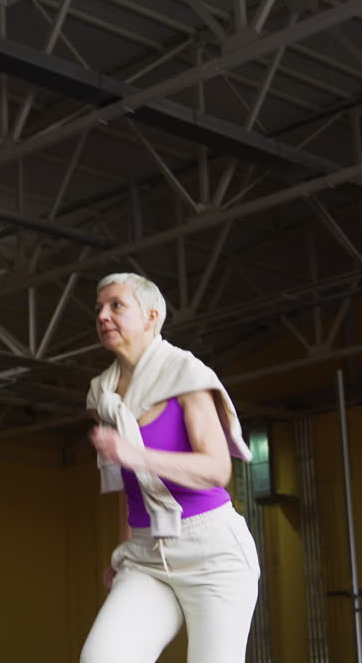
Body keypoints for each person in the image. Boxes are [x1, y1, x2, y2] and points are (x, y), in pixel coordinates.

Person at [80, 272, 259, 663]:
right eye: (99, 310)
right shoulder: (103, 396)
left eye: (116, 306)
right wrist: (126, 548)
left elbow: (216, 469)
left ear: (151, 316)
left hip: (212, 551)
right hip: (146, 553)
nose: (103, 316)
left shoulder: (187, 376)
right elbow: (135, 488)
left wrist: (137, 454)